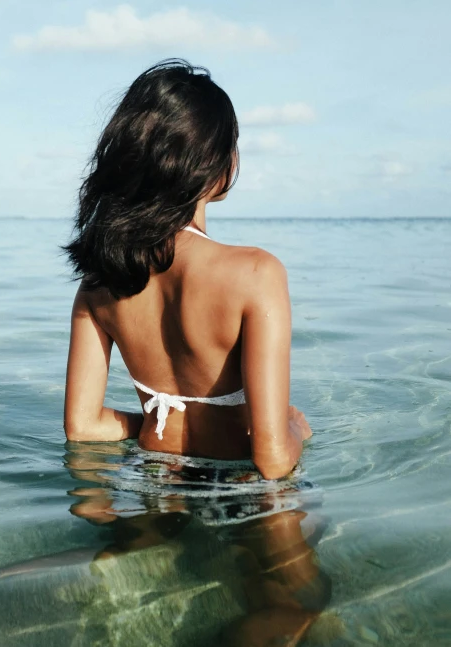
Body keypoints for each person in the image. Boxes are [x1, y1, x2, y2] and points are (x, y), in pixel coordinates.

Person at [62, 58, 312, 479]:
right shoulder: (256, 273)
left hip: (157, 480)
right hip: (240, 487)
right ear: (213, 162)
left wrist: (166, 427)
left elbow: (83, 428)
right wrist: (293, 428)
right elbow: (271, 459)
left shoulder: (100, 281)